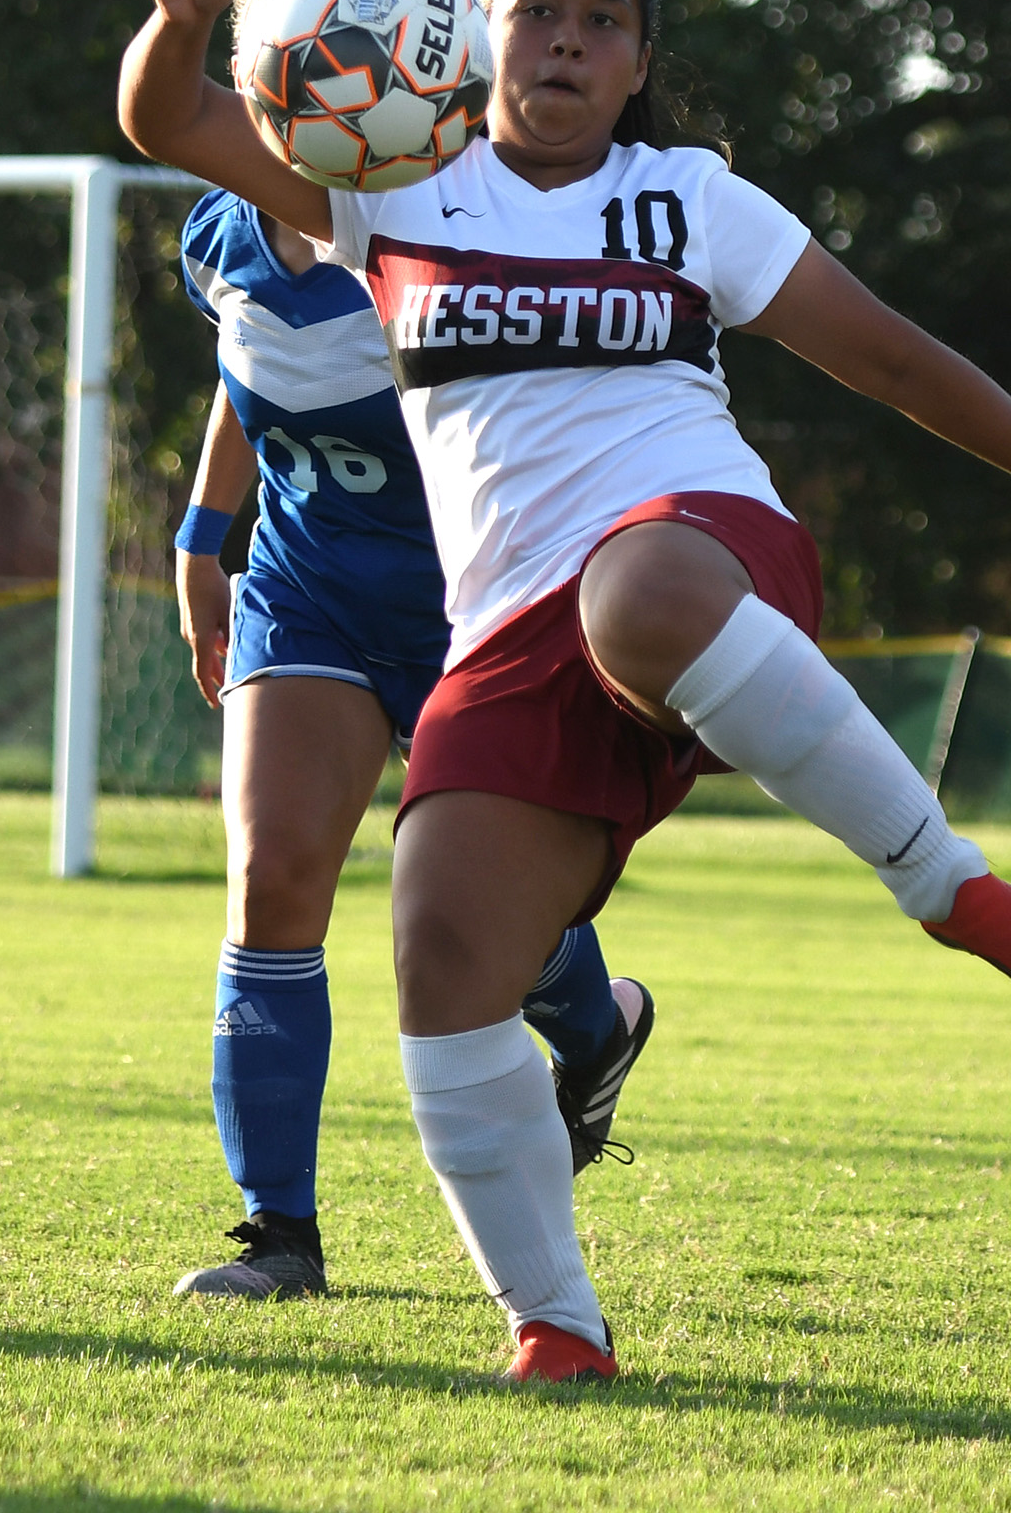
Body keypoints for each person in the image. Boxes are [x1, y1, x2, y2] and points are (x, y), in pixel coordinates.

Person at [118, 0, 1011, 1383]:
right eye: (539, 9)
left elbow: (894, 356)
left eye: (603, 20)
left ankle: (954, 893)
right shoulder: (398, 189)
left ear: (639, 60)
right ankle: (558, 1328)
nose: (567, 38)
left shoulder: (690, 200)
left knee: (641, 597)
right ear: (478, 37)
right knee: (443, 948)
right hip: (507, 624)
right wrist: (182, 11)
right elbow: (172, 116)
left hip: (702, 546)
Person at [168, 83, 654, 1301]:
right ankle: (279, 1235)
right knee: (274, 873)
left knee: (473, 914)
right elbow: (253, 376)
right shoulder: (216, 233)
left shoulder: (443, 227)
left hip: (472, 594)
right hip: (308, 583)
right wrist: (198, 540)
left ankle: (594, 1027)